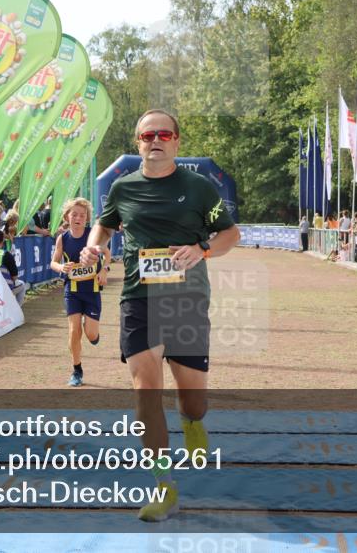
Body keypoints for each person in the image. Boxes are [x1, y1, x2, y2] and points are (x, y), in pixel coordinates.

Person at [78, 109, 239, 522]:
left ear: (176, 142)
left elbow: (230, 234)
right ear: (138, 143)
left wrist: (200, 251)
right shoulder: (122, 187)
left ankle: (193, 423)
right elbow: (104, 225)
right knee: (144, 394)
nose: (155, 140)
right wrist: (94, 246)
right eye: (147, 134)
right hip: (138, 297)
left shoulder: (199, 187)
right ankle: (164, 486)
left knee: (193, 399)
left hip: (186, 299)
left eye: (164, 134)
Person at [50, 198, 109, 387]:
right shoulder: (63, 238)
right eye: (74, 214)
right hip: (72, 290)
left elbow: (107, 254)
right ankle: (77, 370)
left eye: (82, 215)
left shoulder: (93, 235)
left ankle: (94, 334)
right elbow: (53, 262)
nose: (78, 218)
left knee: (90, 335)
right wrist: (61, 267)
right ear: (67, 216)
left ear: (87, 219)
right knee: (74, 330)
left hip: (91, 291)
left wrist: (103, 270)